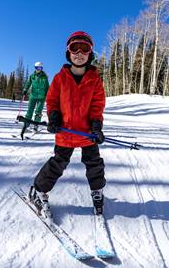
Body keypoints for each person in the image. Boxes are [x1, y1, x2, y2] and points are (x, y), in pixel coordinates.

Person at [29, 31, 106, 217]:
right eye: (74, 48)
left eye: (84, 49)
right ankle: (38, 190)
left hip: (87, 132)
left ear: (90, 54)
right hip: (65, 130)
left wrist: (96, 125)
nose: (79, 53)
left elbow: (97, 105)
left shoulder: (94, 79)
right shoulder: (59, 78)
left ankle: (97, 192)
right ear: (68, 52)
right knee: (58, 163)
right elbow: (52, 100)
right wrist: (54, 117)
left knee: (94, 163)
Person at [22, 62, 49, 132]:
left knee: (38, 111)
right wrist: (25, 90)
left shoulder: (44, 77)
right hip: (33, 96)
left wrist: (48, 95)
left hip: (41, 97)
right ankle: (26, 124)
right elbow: (28, 83)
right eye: (37, 68)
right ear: (35, 68)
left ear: (42, 68)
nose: (38, 69)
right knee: (29, 111)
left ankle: (36, 125)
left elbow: (47, 87)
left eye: (40, 68)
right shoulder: (32, 76)